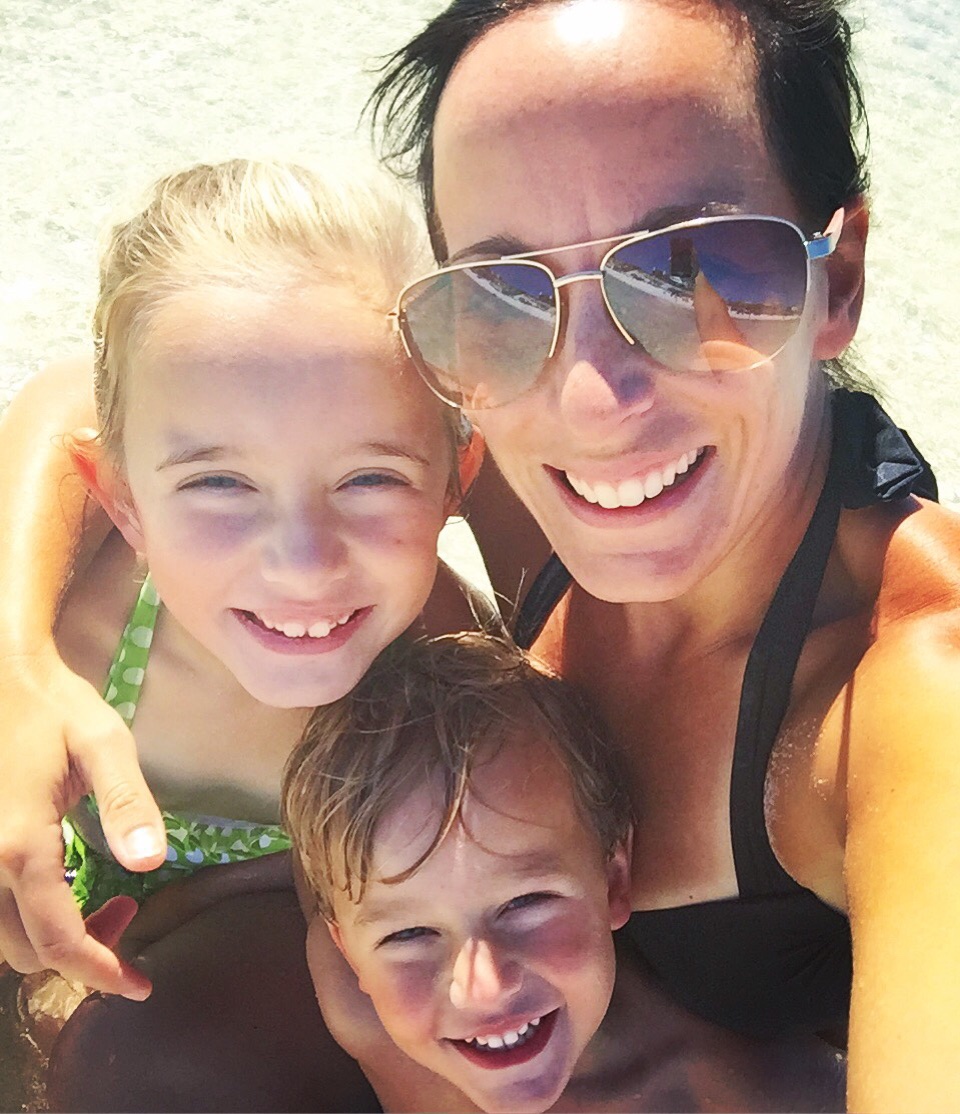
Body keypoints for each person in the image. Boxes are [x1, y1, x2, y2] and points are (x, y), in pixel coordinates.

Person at [0, 0, 958, 1109]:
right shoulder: (512, 457)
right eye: (505, 292)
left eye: (693, 271)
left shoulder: (909, 700)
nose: (592, 397)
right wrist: (16, 661)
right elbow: (113, 398)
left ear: (838, 278)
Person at [0, 156, 486, 1111]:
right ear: (123, 502)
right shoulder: (79, 623)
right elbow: (64, 394)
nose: (303, 563)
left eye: (371, 478)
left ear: (454, 482)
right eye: (219, 483)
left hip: (240, 973)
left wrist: (216, 898)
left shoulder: (442, 680)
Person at [283, 631, 844, 1112]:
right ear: (348, 950)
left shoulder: (754, 1093)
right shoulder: (358, 1007)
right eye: (409, 933)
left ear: (614, 880)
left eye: (526, 902)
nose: (483, 989)